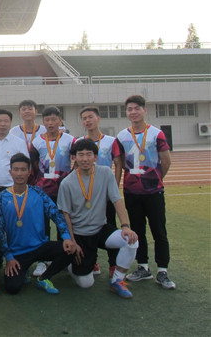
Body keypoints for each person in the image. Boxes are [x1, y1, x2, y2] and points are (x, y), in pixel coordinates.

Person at [57, 139, 139, 298]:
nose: (85, 159)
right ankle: (71, 265)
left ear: (95, 157)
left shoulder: (105, 173)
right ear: (74, 158)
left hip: (101, 229)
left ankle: (117, 281)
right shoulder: (66, 183)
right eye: (81, 155)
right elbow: (65, 215)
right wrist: (73, 241)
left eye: (89, 154)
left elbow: (116, 200)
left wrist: (125, 226)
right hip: (80, 234)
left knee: (131, 241)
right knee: (86, 283)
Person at [0, 154, 76, 295]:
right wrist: (9, 257)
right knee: (12, 288)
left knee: (70, 250)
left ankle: (44, 278)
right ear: (10, 172)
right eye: (16, 170)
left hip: (40, 246)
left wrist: (67, 237)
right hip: (17, 252)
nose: (19, 173)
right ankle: (23, 272)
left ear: (29, 172)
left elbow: (56, 215)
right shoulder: (1, 198)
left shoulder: (38, 193)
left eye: (23, 169)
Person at [115, 95, 175, 289]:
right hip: (132, 192)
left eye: (137, 108)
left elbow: (166, 161)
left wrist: (154, 180)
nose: (133, 112)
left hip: (153, 192)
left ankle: (163, 270)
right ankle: (143, 267)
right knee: (137, 231)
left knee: (159, 231)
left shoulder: (157, 134)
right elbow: (119, 162)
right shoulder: (122, 136)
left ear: (144, 110)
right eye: (130, 109)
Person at [30, 106, 74, 276]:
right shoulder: (37, 142)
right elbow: (34, 165)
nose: (50, 123)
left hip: (63, 190)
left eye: (54, 119)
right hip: (43, 191)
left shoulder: (70, 140)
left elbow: (76, 160)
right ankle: (43, 260)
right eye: (47, 120)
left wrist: (69, 178)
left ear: (60, 120)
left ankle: (63, 258)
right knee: (43, 226)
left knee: (63, 223)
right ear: (43, 122)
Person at [78, 106, 122, 277]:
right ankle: (93, 261)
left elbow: (118, 164)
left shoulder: (111, 141)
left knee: (110, 226)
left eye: (90, 117)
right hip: (87, 195)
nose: (87, 121)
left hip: (105, 195)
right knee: (88, 227)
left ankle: (113, 264)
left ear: (98, 118)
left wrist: (114, 188)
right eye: (84, 118)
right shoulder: (79, 142)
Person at [0, 109, 29, 206]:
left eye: (6, 121)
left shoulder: (19, 143)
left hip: (12, 189)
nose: (2, 124)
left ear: (10, 123)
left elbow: (27, 165)